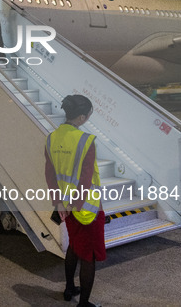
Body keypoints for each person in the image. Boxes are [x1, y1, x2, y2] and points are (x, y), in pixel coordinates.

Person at [45, 95, 105, 307]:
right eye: (88, 114)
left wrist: (60, 203)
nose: (88, 117)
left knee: (73, 247)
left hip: (65, 205)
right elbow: (86, 179)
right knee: (88, 256)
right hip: (86, 207)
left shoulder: (52, 138)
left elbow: (50, 174)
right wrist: (75, 205)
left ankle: (69, 287)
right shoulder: (86, 140)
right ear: (82, 116)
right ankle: (84, 304)